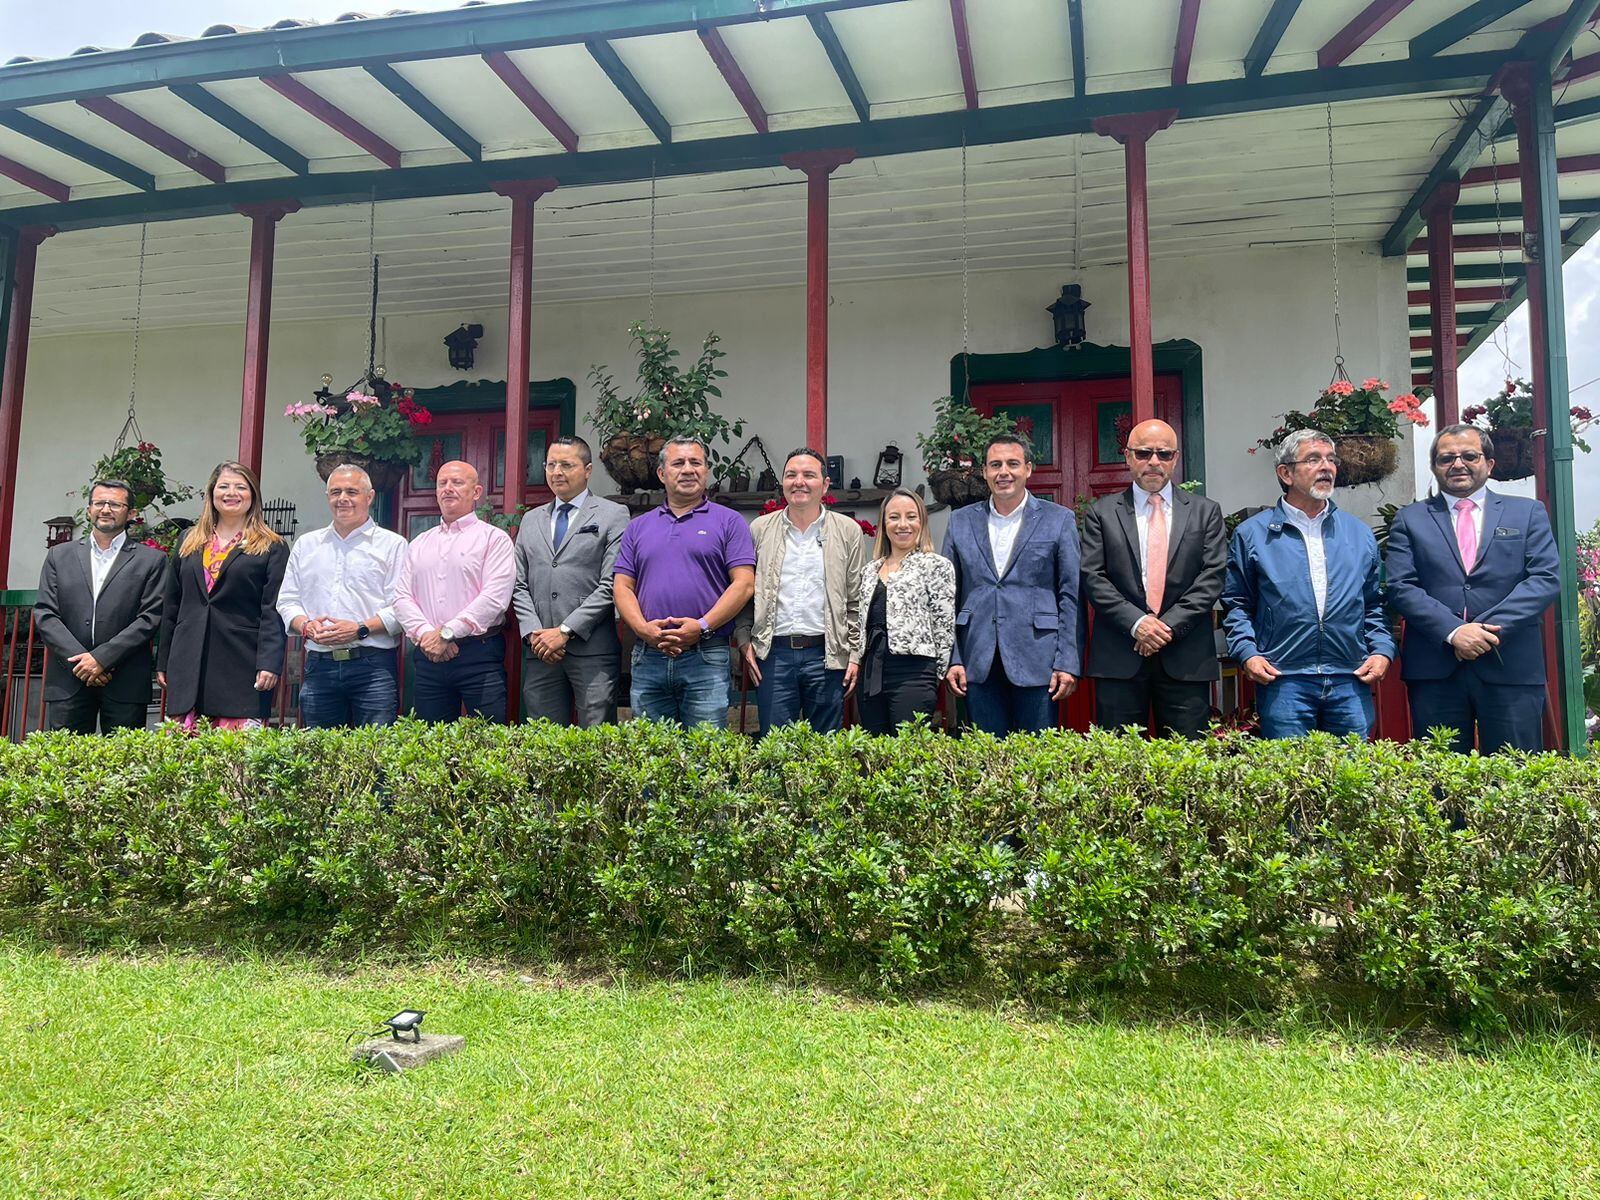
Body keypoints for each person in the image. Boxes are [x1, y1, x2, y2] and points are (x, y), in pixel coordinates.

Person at [1385, 423, 1560, 753]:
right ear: (1435, 466)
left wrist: (1484, 632)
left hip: (1511, 665)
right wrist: (1454, 631)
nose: (1457, 464)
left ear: (1489, 463)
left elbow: (1544, 579)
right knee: (1440, 780)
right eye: (1446, 458)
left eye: (1469, 455)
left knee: (1515, 779)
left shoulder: (1527, 513)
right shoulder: (1411, 519)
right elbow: (1401, 586)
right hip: (1437, 668)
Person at [1222, 429, 1394, 739]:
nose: (1326, 467)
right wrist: (1248, 653)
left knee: (1352, 779)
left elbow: (1374, 605)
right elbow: (1237, 605)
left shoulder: (1358, 533)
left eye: (1330, 459)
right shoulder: (1252, 535)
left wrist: (1381, 651)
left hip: (1349, 677)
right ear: (1285, 473)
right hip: (1283, 678)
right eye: (1313, 459)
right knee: (1291, 781)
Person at [1079, 419, 1226, 738]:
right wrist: (1138, 624)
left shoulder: (1205, 512)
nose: (1154, 462)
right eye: (1144, 453)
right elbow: (1093, 577)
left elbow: (1212, 577)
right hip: (1120, 655)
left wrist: (1166, 627)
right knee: (1116, 767)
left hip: (1186, 659)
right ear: (1128, 456)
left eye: (1163, 454)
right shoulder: (1101, 513)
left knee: (1186, 765)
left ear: (1175, 458)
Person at [942, 432, 1080, 735]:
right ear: (984, 472)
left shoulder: (1059, 520)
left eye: (1012, 464)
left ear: (1028, 469)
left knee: (1038, 761)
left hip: (1039, 658)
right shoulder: (960, 522)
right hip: (978, 659)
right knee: (986, 760)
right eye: (995, 465)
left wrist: (1067, 661)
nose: (1003, 472)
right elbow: (946, 597)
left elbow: (1070, 595)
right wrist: (953, 657)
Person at [613, 436, 755, 728]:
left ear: (706, 471)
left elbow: (743, 584)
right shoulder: (638, 526)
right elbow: (622, 586)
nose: (688, 469)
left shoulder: (729, 522)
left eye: (696, 463)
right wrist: (643, 629)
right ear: (662, 474)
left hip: (707, 655)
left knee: (705, 758)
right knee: (652, 760)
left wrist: (701, 626)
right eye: (678, 463)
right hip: (648, 655)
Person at [735, 447, 866, 734]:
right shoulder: (759, 529)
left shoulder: (847, 531)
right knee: (776, 747)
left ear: (825, 484)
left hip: (827, 656)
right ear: (782, 482)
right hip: (774, 656)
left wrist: (854, 655)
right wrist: (745, 641)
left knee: (826, 750)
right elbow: (745, 593)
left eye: (809, 475)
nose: (799, 482)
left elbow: (856, 600)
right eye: (791, 475)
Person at [157, 461, 289, 729]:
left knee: (235, 760)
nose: (231, 493)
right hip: (189, 660)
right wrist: (164, 658)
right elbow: (172, 603)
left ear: (253, 495)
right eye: (224, 486)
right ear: (212, 493)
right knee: (186, 757)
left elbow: (272, 609)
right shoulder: (189, 540)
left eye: (241, 487)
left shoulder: (271, 545)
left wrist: (269, 663)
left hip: (241, 663)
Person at [511, 436, 630, 726]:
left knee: (597, 742)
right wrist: (535, 633)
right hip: (541, 652)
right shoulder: (531, 519)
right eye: (551, 464)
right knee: (544, 741)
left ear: (588, 470)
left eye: (566, 464)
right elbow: (518, 583)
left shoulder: (613, 514)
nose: (557, 472)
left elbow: (610, 583)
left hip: (592, 651)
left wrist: (564, 631)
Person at [276, 465, 407, 728]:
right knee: (320, 754)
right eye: (335, 492)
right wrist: (306, 625)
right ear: (327, 497)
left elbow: (403, 607)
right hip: (319, 664)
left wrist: (359, 629)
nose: (342, 498)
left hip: (372, 666)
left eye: (351, 491)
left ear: (369, 497)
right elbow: (287, 600)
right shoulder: (307, 544)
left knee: (376, 754)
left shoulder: (393, 545)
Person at [34, 478, 168, 733]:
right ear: (89, 509)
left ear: (131, 513)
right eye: (99, 503)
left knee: (123, 766)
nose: (106, 509)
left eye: (115, 504)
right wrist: (83, 663)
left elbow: (150, 617)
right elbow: (46, 613)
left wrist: (102, 659)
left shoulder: (152, 561)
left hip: (125, 680)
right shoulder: (59, 556)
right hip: (68, 678)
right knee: (64, 765)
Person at [394, 460, 516, 723]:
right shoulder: (419, 544)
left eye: (457, 483)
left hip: (479, 655)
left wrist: (448, 633)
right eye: (442, 483)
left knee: (488, 742)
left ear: (476, 492)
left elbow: (495, 598)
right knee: (431, 747)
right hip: (429, 659)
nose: (448, 489)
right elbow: (402, 597)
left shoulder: (494, 539)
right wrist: (428, 635)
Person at [851, 487, 955, 734]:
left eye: (911, 516)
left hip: (914, 672)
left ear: (922, 522)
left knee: (909, 751)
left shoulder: (936, 566)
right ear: (884, 524)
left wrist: (938, 673)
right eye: (894, 517)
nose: (902, 525)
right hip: (872, 671)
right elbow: (858, 623)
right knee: (874, 752)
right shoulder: (869, 571)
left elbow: (944, 625)